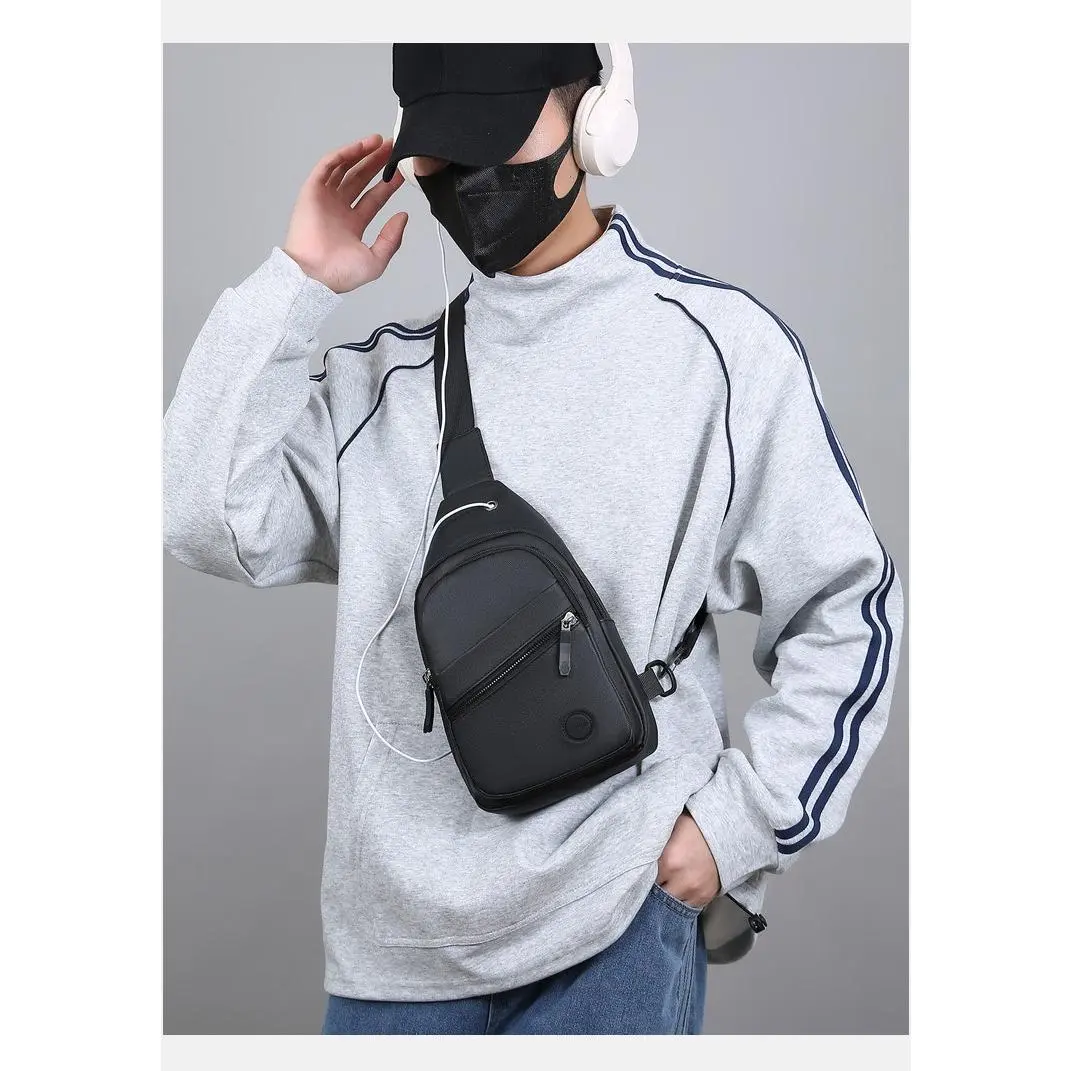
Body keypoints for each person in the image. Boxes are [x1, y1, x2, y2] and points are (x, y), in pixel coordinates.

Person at [162, 43, 904, 1035]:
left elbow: (848, 607)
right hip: (396, 957)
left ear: (597, 119)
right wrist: (296, 282)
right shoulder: (384, 389)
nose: (467, 173)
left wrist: (736, 825)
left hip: (614, 924)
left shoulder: (716, 353)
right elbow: (198, 511)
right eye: (444, 146)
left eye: (496, 132)